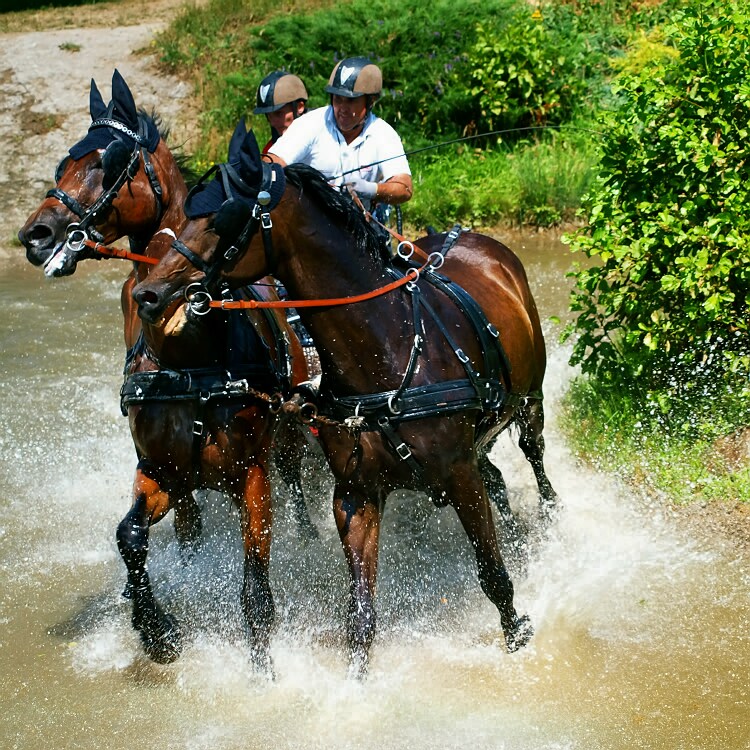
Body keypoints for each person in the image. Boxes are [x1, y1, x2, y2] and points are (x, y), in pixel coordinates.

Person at [266, 56, 412, 213]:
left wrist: (372, 189)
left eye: (350, 101)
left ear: (371, 101)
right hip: (310, 223)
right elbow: (272, 162)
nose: (342, 108)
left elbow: (405, 188)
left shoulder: (384, 134)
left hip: (364, 224)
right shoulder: (309, 123)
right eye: (337, 99)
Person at [253, 71, 309, 154]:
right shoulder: (270, 151)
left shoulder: (324, 142)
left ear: (299, 107)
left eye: (279, 114)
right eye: (269, 116)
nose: (273, 122)